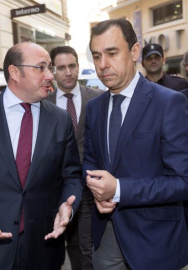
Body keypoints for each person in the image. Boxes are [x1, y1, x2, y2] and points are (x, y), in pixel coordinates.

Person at [0, 42, 83, 270]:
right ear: (14, 72)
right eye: (41, 67)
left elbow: (72, 177)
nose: (50, 75)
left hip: (44, 249)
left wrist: (67, 206)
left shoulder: (60, 120)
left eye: (49, 67)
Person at [83, 19, 188, 270]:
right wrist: (96, 187)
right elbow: (89, 160)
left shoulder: (168, 103)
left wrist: (118, 189)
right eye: (96, 56)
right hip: (106, 237)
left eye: (111, 53)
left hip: (155, 242)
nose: (102, 65)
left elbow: (182, 182)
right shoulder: (94, 108)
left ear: (134, 52)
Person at [48, 45, 103, 270]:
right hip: (56, 189)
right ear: (53, 71)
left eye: (72, 66)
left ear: (78, 67)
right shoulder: (43, 104)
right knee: (65, 243)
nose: (68, 72)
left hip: (91, 187)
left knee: (88, 244)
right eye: (61, 68)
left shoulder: (98, 99)